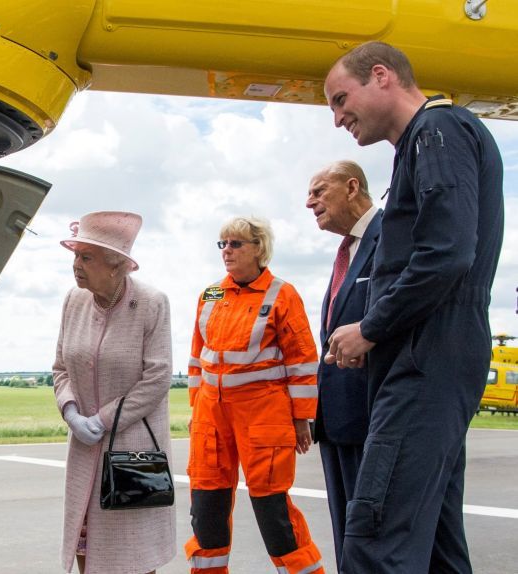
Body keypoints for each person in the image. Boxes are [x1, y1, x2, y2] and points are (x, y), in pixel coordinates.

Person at [323, 42, 504, 573]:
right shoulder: (428, 143)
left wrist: (370, 328)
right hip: (435, 356)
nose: (338, 119)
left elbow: (446, 253)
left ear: (381, 76)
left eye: (341, 99)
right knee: (438, 547)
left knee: (376, 542)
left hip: (425, 362)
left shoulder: (438, 133)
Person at [185, 216, 323, 574]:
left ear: (258, 248)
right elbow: (198, 356)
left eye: (235, 244)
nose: (226, 251)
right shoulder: (211, 293)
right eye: (222, 244)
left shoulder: (282, 293)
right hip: (210, 420)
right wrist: (196, 408)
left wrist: (302, 417)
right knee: (206, 510)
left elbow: (302, 360)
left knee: (273, 513)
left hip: (264, 416)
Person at [53, 211, 176, 574]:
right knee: (85, 544)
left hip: (133, 450)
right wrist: (71, 412)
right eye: (75, 255)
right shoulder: (73, 301)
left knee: (134, 554)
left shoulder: (152, 303)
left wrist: (104, 419)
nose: (76, 264)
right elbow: (60, 367)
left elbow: (157, 377)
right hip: (84, 447)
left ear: (116, 265)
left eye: (86, 257)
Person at [305, 160, 381, 573]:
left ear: (352, 187)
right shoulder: (347, 250)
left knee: (370, 537)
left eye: (319, 191)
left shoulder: (392, 235)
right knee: (346, 536)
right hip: (336, 420)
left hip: (372, 416)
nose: (309, 202)